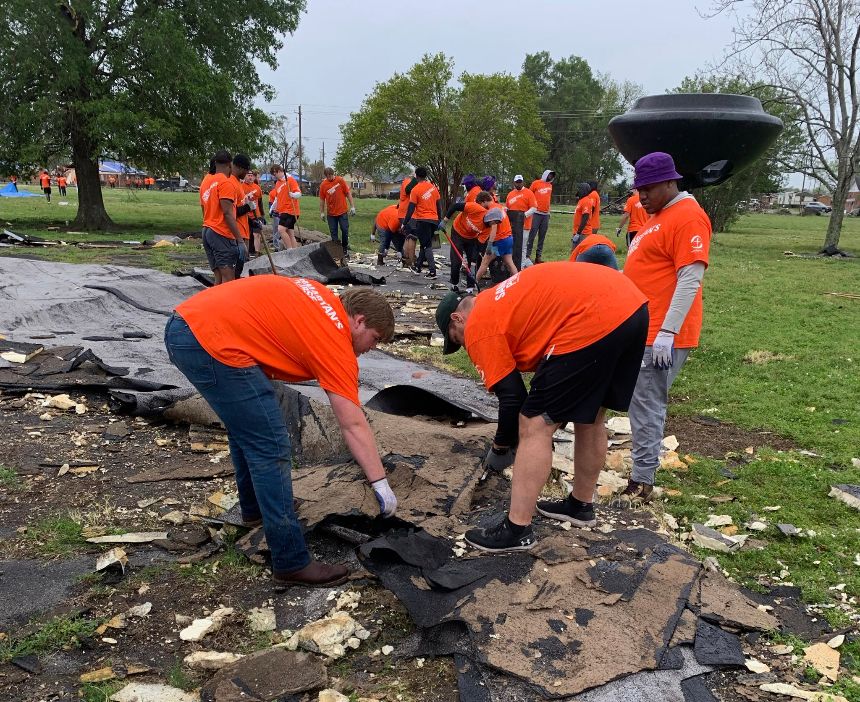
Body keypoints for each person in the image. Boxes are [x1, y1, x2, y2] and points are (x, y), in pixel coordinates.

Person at [166, 281, 398, 586]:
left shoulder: (320, 297)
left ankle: (255, 511)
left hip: (190, 324)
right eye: (375, 339)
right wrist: (381, 484)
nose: (372, 348)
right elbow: (352, 424)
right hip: (209, 340)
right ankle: (291, 562)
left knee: (248, 426)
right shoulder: (334, 339)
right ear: (359, 320)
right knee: (271, 444)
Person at [434, 263, 648, 551]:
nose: (463, 345)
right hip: (631, 303)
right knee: (593, 414)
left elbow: (512, 399)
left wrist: (501, 447)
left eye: (456, 339)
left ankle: (517, 529)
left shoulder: (479, 326)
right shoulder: (499, 300)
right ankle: (580, 506)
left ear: (457, 319)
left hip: (591, 316)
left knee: (535, 422)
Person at [620, 152, 712, 502]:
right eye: (639, 188)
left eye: (649, 188)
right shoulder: (659, 215)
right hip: (644, 327)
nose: (642, 196)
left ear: (671, 182)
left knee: (646, 402)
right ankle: (641, 474)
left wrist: (667, 332)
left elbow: (691, 277)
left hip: (661, 333)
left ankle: (641, 483)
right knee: (638, 399)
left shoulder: (688, 217)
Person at [200, 150, 252, 285]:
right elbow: (228, 213)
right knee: (229, 280)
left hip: (207, 229)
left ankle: (212, 305)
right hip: (220, 233)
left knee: (218, 278)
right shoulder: (226, 183)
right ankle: (226, 306)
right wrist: (240, 241)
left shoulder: (208, 181)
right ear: (230, 164)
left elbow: (203, 207)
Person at [438, 194, 489, 290]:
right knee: (456, 261)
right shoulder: (476, 208)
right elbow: (455, 206)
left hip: (471, 238)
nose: (488, 225)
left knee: (472, 262)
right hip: (458, 231)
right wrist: (445, 221)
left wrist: (473, 264)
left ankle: (469, 288)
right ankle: (454, 285)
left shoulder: (488, 228)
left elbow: (478, 247)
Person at [401, 166, 442, 279]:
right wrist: (440, 219)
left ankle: (432, 271)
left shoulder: (415, 189)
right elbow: (439, 204)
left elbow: (411, 208)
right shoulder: (433, 188)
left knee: (427, 245)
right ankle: (418, 267)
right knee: (425, 244)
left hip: (423, 220)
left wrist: (404, 223)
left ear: (416, 176)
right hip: (434, 220)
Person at [475, 193, 517, 281]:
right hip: (509, 238)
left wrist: (489, 245)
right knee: (509, 262)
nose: (481, 207)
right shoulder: (499, 206)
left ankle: (474, 285)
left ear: (484, 201)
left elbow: (494, 229)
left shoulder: (492, 211)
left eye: (480, 204)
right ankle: (518, 282)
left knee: (484, 262)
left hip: (500, 240)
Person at [505, 175, 538, 270]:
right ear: (514, 182)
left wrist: (524, 215)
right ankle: (513, 265)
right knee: (513, 245)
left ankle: (521, 266)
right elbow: (508, 207)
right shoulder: (510, 194)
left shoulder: (529, 193)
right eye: (517, 182)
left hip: (524, 225)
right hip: (512, 225)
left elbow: (534, 208)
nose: (518, 183)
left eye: (520, 182)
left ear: (523, 182)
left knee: (522, 246)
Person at [319, 167, 355, 252]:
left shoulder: (340, 181)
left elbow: (348, 193)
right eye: (327, 176)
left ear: (333, 174)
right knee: (333, 233)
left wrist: (352, 206)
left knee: (345, 229)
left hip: (342, 212)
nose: (329, 177)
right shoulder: (323, 185)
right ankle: (337, 251)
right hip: (331, 214)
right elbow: (321, 200)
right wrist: (322, 213)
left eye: (330, 175)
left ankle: (345, 247)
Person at [526, 169, 555, 264]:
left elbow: (548, 199)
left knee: (542, 236)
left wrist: (549, 212)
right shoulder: (536, 183)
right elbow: (529, 195)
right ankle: (527, 255)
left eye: (552, 175)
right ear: (545, 174)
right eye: (549, 175)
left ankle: (538, 256)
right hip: (536, 212)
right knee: (532, 234)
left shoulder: (550, 186)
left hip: (545, 214)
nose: (550, 177)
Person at [271, 166, 302, 250]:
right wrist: (272, 208)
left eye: (276, 173)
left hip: (291, 211)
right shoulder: (277, 183)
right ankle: (295, 252)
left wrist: (293, 195)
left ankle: (289, 250)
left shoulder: (290, 180)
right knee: (290, 233)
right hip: (282, 211)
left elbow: (299, 193)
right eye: (273, 174)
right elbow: (277, 198)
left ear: (281, 171)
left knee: (281, 229)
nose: (275, 175)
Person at [242, 171, 265, 256]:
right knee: (246, 235)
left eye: (252, 176)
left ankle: (257, 252)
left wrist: (262, 215)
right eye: (248, 175)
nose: (250, 177)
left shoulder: (257, 188)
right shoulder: (241, 187)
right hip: (246, 215)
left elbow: (260, 202)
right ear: (245, 177)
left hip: (256, 215)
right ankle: (246, 252)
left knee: (257, 234)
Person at [397, 172, 416, 267]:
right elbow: (409, 190)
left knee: (408, 237)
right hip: (407, 213)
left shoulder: (406, 181)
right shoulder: (408, 182)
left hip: (403, 213)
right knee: (411, 237)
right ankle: (409, 260)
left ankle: (406, 259)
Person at [571, 182, 595, 250]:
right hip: (578, 232)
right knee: (574, 253)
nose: (578, 191)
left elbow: (585, 217)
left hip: (583, 233)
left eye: (579, 189)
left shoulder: (586, 201)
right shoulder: (581, 200)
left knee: (580, 253)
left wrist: (578, 233)